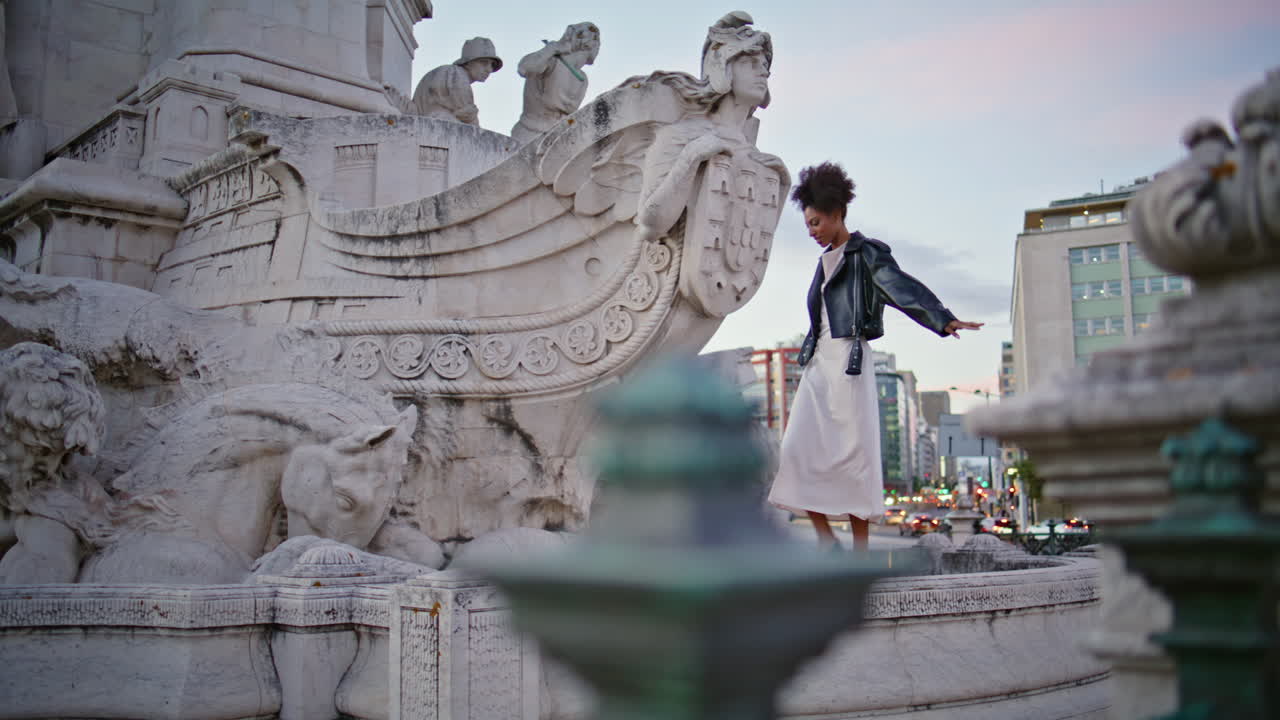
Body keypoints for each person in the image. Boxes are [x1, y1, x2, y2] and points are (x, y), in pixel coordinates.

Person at [767, 162, 982, 551]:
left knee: (854, 454)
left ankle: (861, 552)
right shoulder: (823, 263)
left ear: (836, 214)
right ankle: (826, 538)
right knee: (797, 447)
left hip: (850, 362)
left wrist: (943, 319)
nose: (812, 232)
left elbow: (901, 287)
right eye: (808, 226)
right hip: (818, 364)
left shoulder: (867, 254)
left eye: (816, 223)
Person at [511, 22, 600, 142]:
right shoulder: (551, 60)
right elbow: (525, 68)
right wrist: (551, 48)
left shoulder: (583, 78)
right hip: (530, 134)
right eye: (597, 43)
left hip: (558, 138)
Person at [412, 37, 502, 125]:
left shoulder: (453, 73)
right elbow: (467, 116)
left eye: (492, 65)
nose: (489, 69)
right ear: (469, 62)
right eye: (484, 62)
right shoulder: (455, 74)